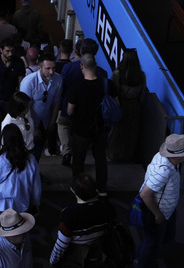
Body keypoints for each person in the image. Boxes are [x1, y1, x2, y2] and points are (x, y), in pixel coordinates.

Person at [133, 132, 184, 268]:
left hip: (166, 210)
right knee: (152, 243)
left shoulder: (165, 159)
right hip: (159, 213)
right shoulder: (165, 170)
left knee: (156, 241)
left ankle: (141, 258)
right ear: (181, 155)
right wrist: (157, 215)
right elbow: (145, 194)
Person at [47, 174, 114, 268]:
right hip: (96, 252)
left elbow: (62, 244)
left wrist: (53, 259)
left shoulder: (69, 214)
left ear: (74, 191)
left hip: (74, 256)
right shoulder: (106, 207)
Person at [0, 124, 41, 230]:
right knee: (19, 235)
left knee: (0, 233)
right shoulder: (31, 160)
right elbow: (36, 188)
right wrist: (35, 204)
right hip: (21, 210)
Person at [67, 54, 109, 195]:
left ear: (82, 67)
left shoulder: (77, 85)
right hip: (99, 128)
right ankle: (101, 188)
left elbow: (70, 110)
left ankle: (78, 187)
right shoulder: (104, 84)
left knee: (78, 160)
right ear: (95, 66)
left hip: (80, 129)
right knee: (100, 159)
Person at [19, 52, 62, 159]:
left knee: (37, 151)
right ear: (39, 67)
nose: (51, 72)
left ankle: (34, 172)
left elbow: (56, 103)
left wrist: (52, 122)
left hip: (45, 121)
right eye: (47, 68)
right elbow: (24, 107)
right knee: (25, 150)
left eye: (53, 68)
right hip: (28, 121)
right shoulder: (28, 82)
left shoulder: (58, 79)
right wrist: (32, 127)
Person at [107, 48, 146, 163]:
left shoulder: (117, 74)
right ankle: (127, 156)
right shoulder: (141, 76)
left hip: (120, 106)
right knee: (131, 133)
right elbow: (142, 95)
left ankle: (113, 154)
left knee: (117, 132)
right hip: (134, 108)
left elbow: (112, 91)